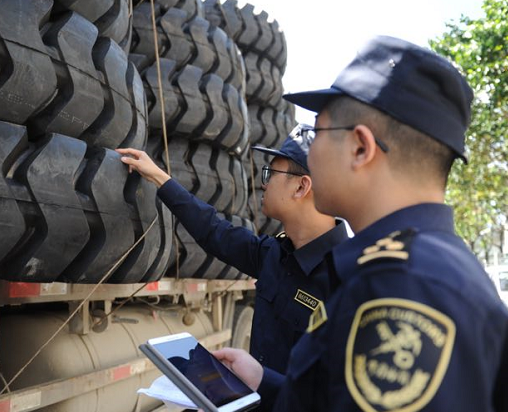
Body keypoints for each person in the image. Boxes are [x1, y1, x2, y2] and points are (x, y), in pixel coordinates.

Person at [213, 35, 508, 411]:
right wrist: (263, 382)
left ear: (360, 148)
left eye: (315, 134)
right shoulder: (420, 268)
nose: (311, 152)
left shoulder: (404, 287)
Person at [117, 135, 348, 380]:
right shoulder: (275, 254)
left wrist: (260, 382)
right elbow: (214, 231)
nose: (263, 184)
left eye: (271, 173)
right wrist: (158, 177)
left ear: (301, 187)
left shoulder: (349, 279)